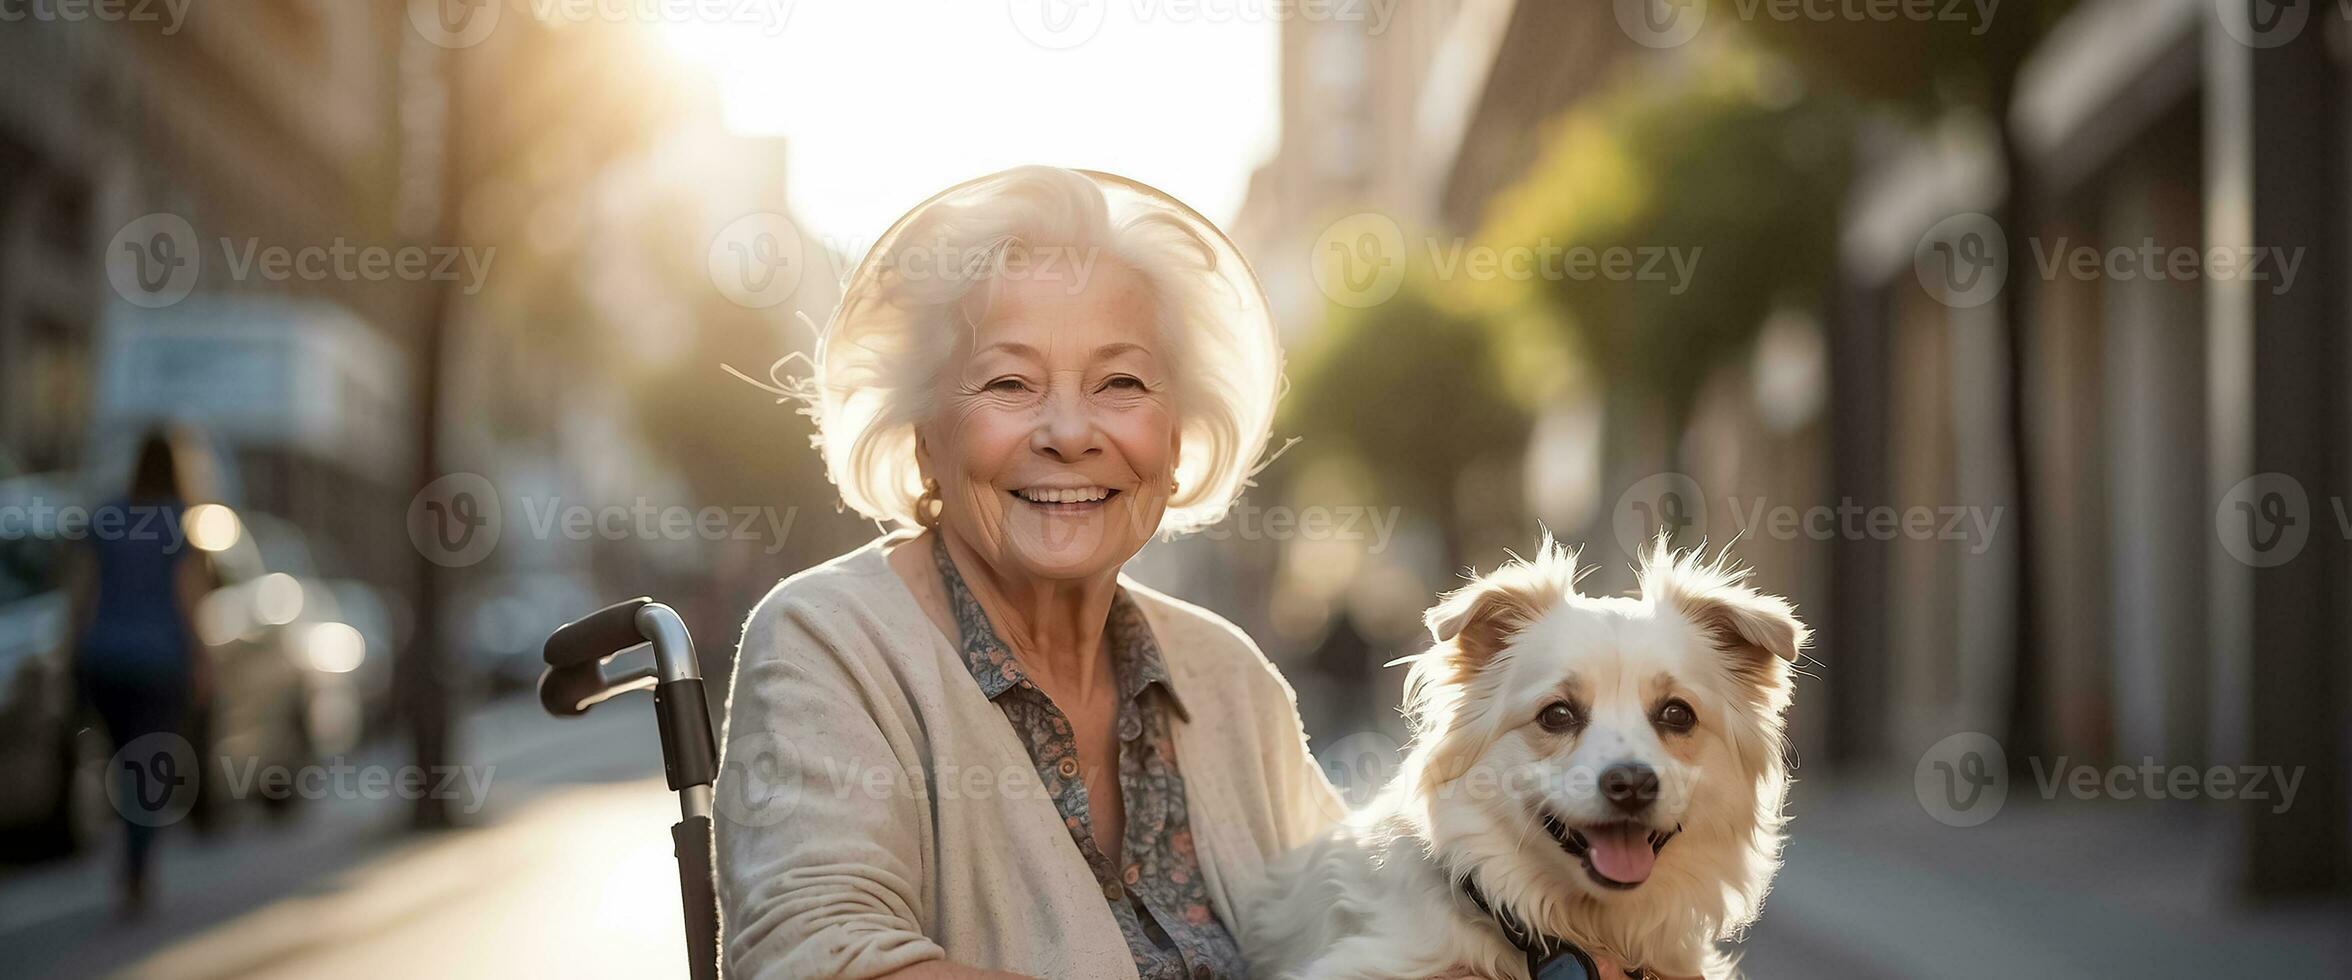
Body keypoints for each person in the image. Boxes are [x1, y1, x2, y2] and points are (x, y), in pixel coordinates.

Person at [68, 425, 214, 919]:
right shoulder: (177, 521)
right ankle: (136, 869)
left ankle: (130, 854)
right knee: (147, 769)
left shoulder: (108, 515)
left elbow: (81, 591)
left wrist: (76, 649)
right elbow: (189, 597)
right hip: (158, 662)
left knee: (120, 763)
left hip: (106, 658)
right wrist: (201, 659)